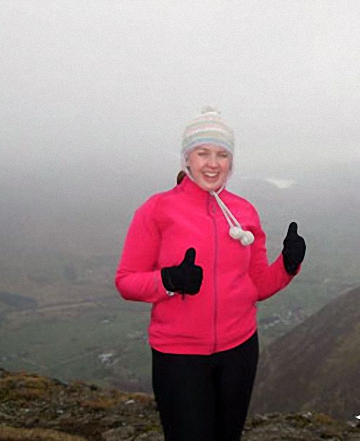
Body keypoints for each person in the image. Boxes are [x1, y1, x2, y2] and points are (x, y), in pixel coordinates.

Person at [115, 107, 306, 441]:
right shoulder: (157, 210)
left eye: (222, 155)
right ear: (187, 159)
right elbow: (126, 281)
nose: (213, 163)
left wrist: (287, 266)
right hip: (179, 356)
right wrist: (169, 281)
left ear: (231, 163)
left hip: (240, 350)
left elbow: (257, 285)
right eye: (203, 153)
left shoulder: (244, 212)